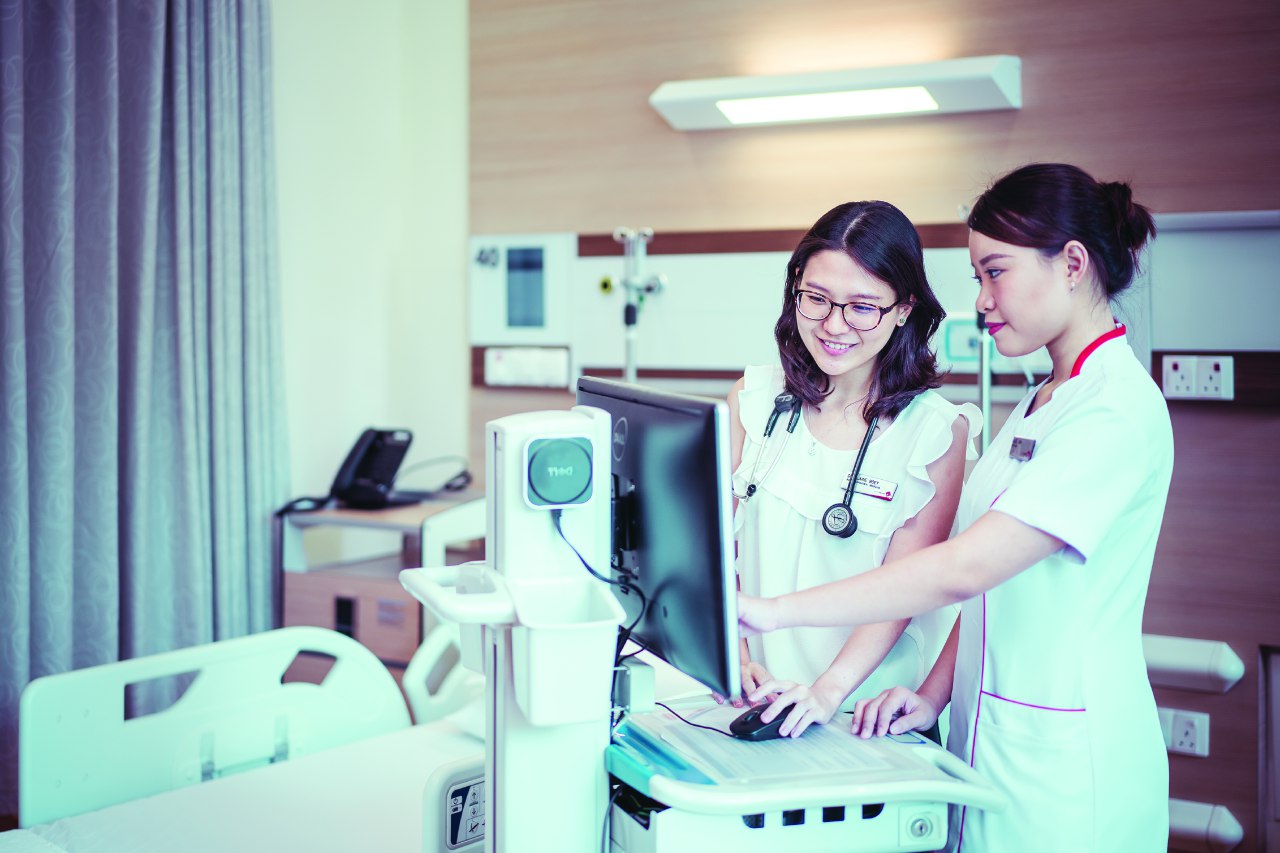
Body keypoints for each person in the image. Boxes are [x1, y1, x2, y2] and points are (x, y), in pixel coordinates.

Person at [737, 163, 1171, 851]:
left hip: (1067, 754)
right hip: (984, 730)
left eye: (994, 272)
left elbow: (963, 569)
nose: (982, 298)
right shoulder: (1043, 401)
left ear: (1073, 264)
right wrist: (934, 693)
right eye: (976, 277)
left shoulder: (1112, 411)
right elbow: (1000, 589)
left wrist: (775, 611)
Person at [726, 200, 981, 738]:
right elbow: (718, 545)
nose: (833, 325)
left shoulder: (934, 432)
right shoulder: (754, 400)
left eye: (862, 307)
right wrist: (737, 653)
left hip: (862, 715)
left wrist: (827, 692)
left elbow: (906, 591)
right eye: (816, 299)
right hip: (754, 695)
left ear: (905, 308)